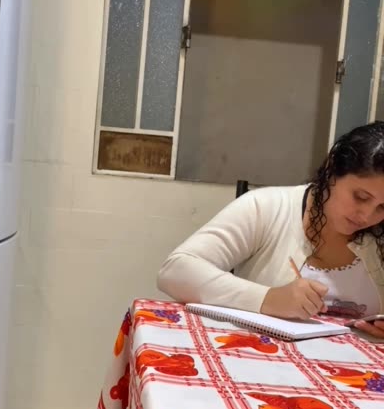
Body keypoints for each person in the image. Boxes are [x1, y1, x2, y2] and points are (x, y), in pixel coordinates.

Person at [158, 122, 384, 339]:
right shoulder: (267, 207)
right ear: (331, 169)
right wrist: (268, 299)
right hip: (258, 355)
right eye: (360, 197)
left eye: (382, 207)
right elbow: (175, 271)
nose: (366, 216)